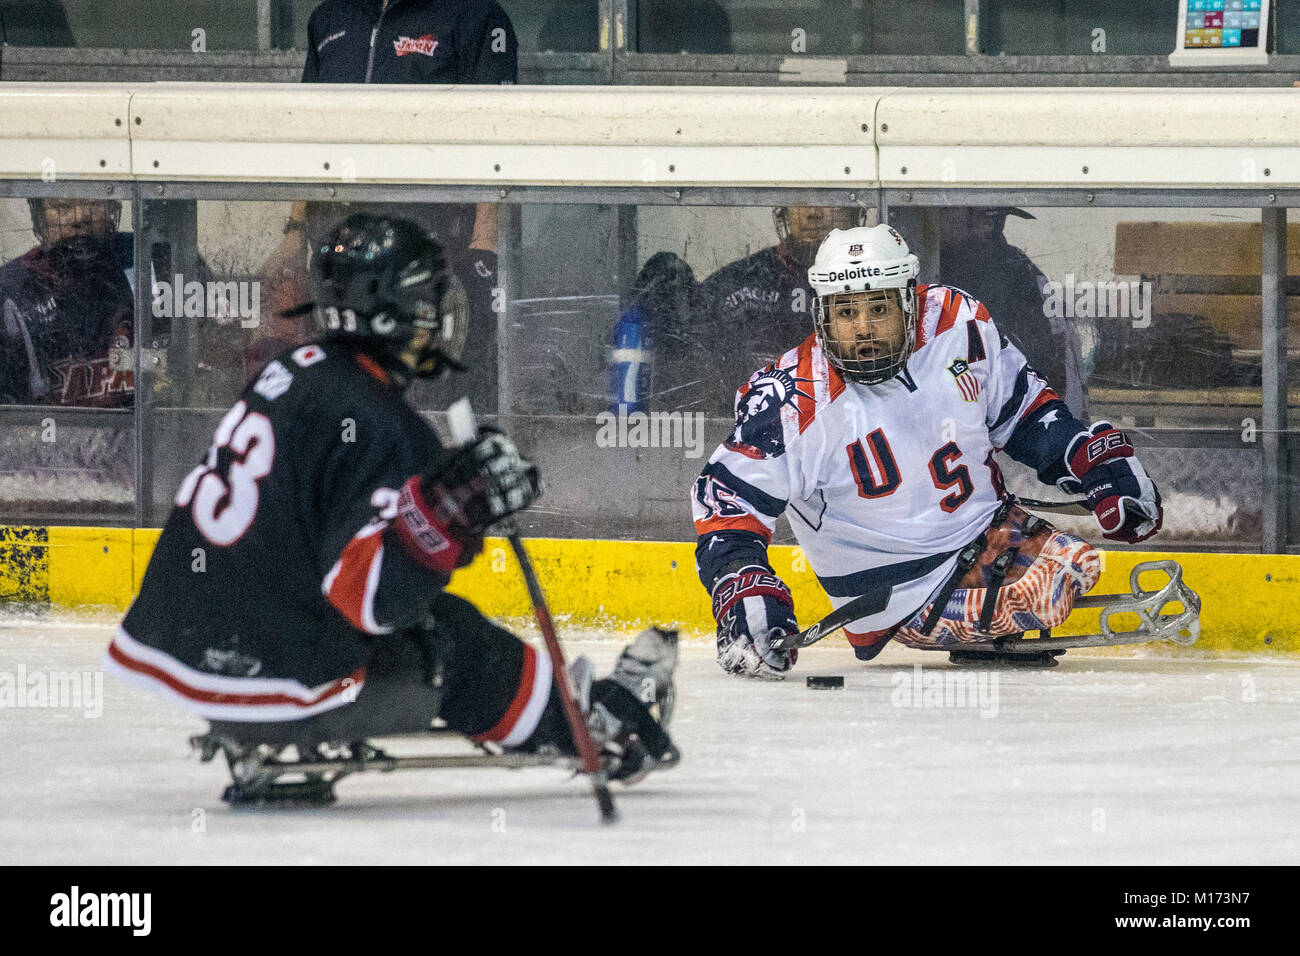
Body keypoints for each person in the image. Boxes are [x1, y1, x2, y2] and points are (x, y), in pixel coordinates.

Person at [106, 215, 676, 786]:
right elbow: (369, 600)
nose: (438, 315)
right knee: (447, 638)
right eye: (427, 300)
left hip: (180, 644)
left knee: (421, 615)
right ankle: (589, 725)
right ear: (388, 311)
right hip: (269, 677)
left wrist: (437, 519)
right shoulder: (381, 421)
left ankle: (569, 709)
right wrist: (448, 521)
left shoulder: (293, 370)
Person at [691, 223, 1163, 678]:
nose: (863, 330)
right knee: (1059, 576)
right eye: (846, 312)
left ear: (910, 303)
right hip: (902, 590)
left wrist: (1088, 460)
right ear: (822, 315)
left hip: (991, 533)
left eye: (879, 309)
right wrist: (741, 581)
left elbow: (1024, 413)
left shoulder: (955, 322)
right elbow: (727, 501)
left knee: (1071, 563)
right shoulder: (792, 399)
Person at [258, 0, 519, 407]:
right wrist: (294, 229)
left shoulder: (477, 15)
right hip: (340, 248)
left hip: (429, 251)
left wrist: (485, 235)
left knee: (425, 392)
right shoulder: (329, 17)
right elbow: (310, 131)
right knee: (344, 387)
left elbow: (498, 129)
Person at [639, 205, 864, 415]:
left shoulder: (878, 285)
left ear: (852, 209)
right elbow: (695, 385)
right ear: (783, 211)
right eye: (800, 200)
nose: (812, 213)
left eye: (827, 200)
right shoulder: (736, 283)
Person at [937, 206, 1089, 414]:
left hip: (1012, 400)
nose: (946, 221)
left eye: (987, 220)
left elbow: (1053, 341)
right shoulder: (941, 263)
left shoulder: (1010, 267)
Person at [0, 198, 134, 407]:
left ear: (111, 207)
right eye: (62, 207)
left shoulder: (151, 260)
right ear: (40, 217)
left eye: (92, 202)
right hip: (49, 438)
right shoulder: (11, 290)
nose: (80, 218)